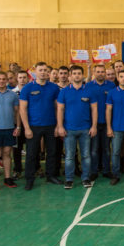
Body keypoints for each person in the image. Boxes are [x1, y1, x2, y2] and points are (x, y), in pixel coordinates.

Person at [19, 61, 62, 190]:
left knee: (52, 152)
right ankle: (29, 179)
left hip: (51, 125)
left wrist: (58, 126)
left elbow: (58, 108)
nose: (43, 72)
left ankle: (51, 175)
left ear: (48, 72)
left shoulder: (54, 88)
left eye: (45, 70)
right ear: (35, 72)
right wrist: (26, 128)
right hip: (33, 126)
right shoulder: (27, 88)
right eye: (40, 70)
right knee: (31, 154)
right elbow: (22, 109)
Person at [56, 65, 97, 189]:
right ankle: (69, 179)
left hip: (85, 129)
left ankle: (86, 178)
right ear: (70, 75)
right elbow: (60, 110)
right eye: (74, 73)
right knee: (69, 156)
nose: (77, 76)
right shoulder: (64, 91)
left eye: (79, 73)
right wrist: (60, 126)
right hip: (69, 130)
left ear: (82, 75)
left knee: (86, 156)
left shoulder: (89, 91)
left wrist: (94, 126)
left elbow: (94, 109)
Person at [88, 64, 115, 180]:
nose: (100, 74)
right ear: (94, 73)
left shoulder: (111, 85)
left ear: (105, 73)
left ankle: (106, 170)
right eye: (98, 72)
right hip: (93, 124)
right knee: (94, 150)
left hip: (107, 123)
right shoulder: (88, 86)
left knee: (106, 149)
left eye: (102, 72)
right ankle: (93, 171)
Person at [11, 70, 29, 179]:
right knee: (17, 148)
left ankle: (35, 168)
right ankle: (17, 169)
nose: (22, 79)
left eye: (24, 77)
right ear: (17, 79)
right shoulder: (12, 93)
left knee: (32, 147)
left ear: (28, 79)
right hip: (16, 124)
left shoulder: (31, 91)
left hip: (30, 123)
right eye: (20, 77)